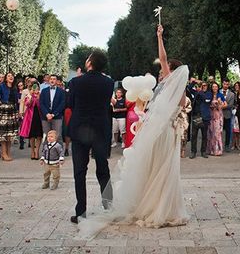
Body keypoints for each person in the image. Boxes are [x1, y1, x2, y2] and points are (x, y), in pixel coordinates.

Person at [79, 24, 189, 236]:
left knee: (156, 169)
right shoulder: (180, 94)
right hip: (170, 135)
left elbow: (163, 59)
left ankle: (156, 208)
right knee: (165, 172)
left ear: (172, 73)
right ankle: (166, 208)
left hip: (162, 134)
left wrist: (159, 37)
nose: (161, 74)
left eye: (163, 72)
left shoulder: (170, 86)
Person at [67, 50, 114, 224]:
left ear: (89, 63)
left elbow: (70, 103)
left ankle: (81, 212)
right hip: (100, 130)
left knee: (79, 171)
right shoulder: (109, 83)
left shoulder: (75, 82)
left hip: (80, 129)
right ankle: (109, 206)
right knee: (103, 168)